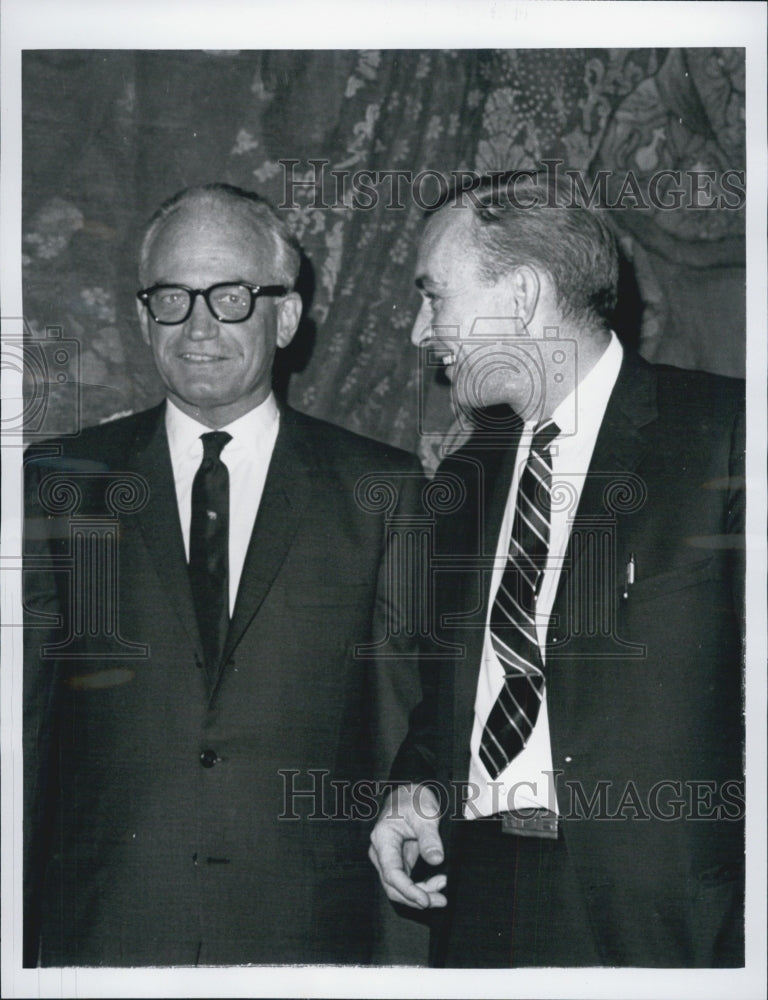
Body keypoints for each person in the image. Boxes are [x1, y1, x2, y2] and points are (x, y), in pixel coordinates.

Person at [23, 182, 422, 966]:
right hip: (104, 934)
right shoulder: (60, 482)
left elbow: (405, 740)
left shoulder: (384, 492)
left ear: (286, 315)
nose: (199, 325)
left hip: (308, 940)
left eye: (232, 295)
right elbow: (27, 731)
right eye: (173, 296)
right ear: (143, 318)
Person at [369, 172, 745, 967]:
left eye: (434, 296)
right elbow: (449, 701)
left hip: (666, 923)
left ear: (522, 295)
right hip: (480, 902)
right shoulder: (465, 478)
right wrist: (418, 790)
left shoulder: (729, 437)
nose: (417, 331)